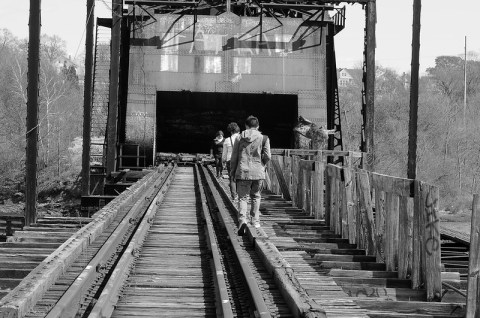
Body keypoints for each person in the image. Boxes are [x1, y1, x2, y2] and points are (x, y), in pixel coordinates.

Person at [230, 115, 271, 235]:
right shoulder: (264, 138)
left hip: (243, 171)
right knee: (256, 196)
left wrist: (232, 172)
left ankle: (243, 219)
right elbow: (268, 156)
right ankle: (255, 221)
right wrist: (261, 163)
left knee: (243, 197)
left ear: (246, 126)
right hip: (258, 172)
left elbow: (234, 157)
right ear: (258, 126)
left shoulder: (239, 138)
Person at [222, 122, 241, 201]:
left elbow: (224, 153)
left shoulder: (227, 140)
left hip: (230, 160)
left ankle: (234, 196)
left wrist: (223, 161)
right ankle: (241, 196)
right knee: (240, 178)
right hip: (240, 160)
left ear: (231, 131)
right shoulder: (242, 138)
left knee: (232, 178)